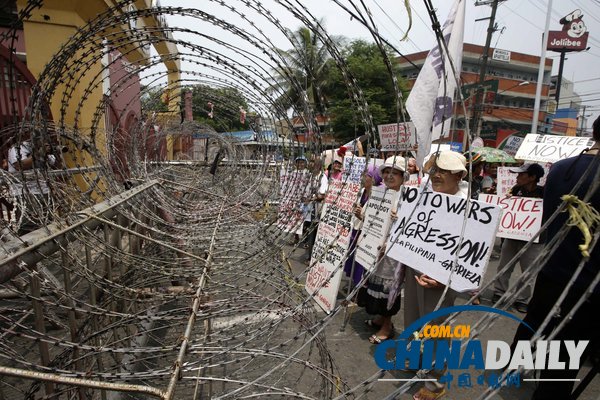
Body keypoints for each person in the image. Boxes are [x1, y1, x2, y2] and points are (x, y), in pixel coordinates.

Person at [511, 116, 600, 400]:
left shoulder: (562, 168)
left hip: (553, 268)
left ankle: (516, 365)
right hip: (588, 282)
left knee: (538, 321)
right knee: (564, 356)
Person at [401, 151, 467, 400]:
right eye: (434, 170)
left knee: (437, 330)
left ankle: (434, 383)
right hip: (416, 269)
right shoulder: (424, 198)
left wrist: (445, 278)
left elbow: (472, 255)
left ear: (459, 175)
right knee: (413, 318)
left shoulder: (469, 207)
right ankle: (417, 360)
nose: (437, 175)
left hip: (441, 280)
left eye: (444, 171)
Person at [356, 156, 406, 344]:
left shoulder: (407, 197)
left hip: (392, 253)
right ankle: (379, 318)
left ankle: (387, 325)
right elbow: (369, 219)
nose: (389, 176)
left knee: (388, 290)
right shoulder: (379, 193)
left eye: (394, 173)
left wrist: (399, 220)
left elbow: (411, 226)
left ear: (403, 176)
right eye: (386, 172)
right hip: (374, 250)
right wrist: (360, 215)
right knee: (374, 285)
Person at [493, 163, 545, 313]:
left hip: (534, 240)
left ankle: (522, 299)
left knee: (529, 270)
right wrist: (508, 200)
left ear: (532, 177)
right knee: (504, 265)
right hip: (512, 237)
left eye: (521, 174)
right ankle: (499, 292)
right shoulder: (516, 190)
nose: (517, 177)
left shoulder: (544, 193)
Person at [7, 138, 59, 234]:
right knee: (29, 225)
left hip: (43, 189)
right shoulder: (17, 148)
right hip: (26, 191)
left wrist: (46, 152)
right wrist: (38, 154)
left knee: (48, 221)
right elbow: (19, 165)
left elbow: (52, 162)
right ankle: (30, 247)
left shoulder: (41, 148)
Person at [344, 162, 382, 286]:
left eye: (367, 175)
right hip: (356, 229)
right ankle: (353, 284)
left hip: (366, 234)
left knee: (361, 262)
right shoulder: (361, 191)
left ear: (373, 178)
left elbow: (376, 220)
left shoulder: (377, 196)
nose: (363, 177)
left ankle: (359, 287)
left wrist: (362, 216)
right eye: (363, 174)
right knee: (353, 259)